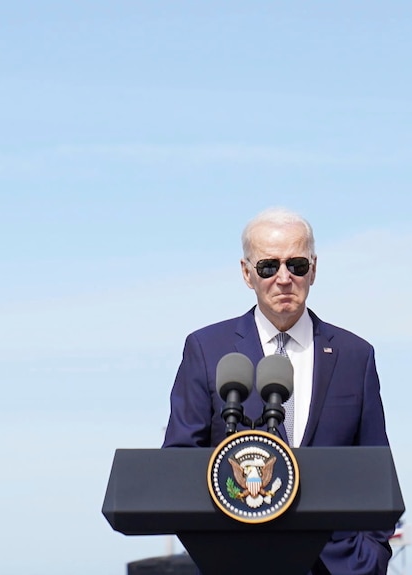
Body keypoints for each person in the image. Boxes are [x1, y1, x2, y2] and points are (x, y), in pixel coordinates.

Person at [162, 207, 392, 575]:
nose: (284, 278)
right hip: (240, 562)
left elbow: (377, 472)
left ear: (313, 269)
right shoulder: (208, 350)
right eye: (269, 266)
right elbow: (177, 469)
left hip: (341, 567)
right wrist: (218, 555)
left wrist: (370, 556)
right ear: (246, 273)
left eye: (296, 265)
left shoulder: (354, 356)